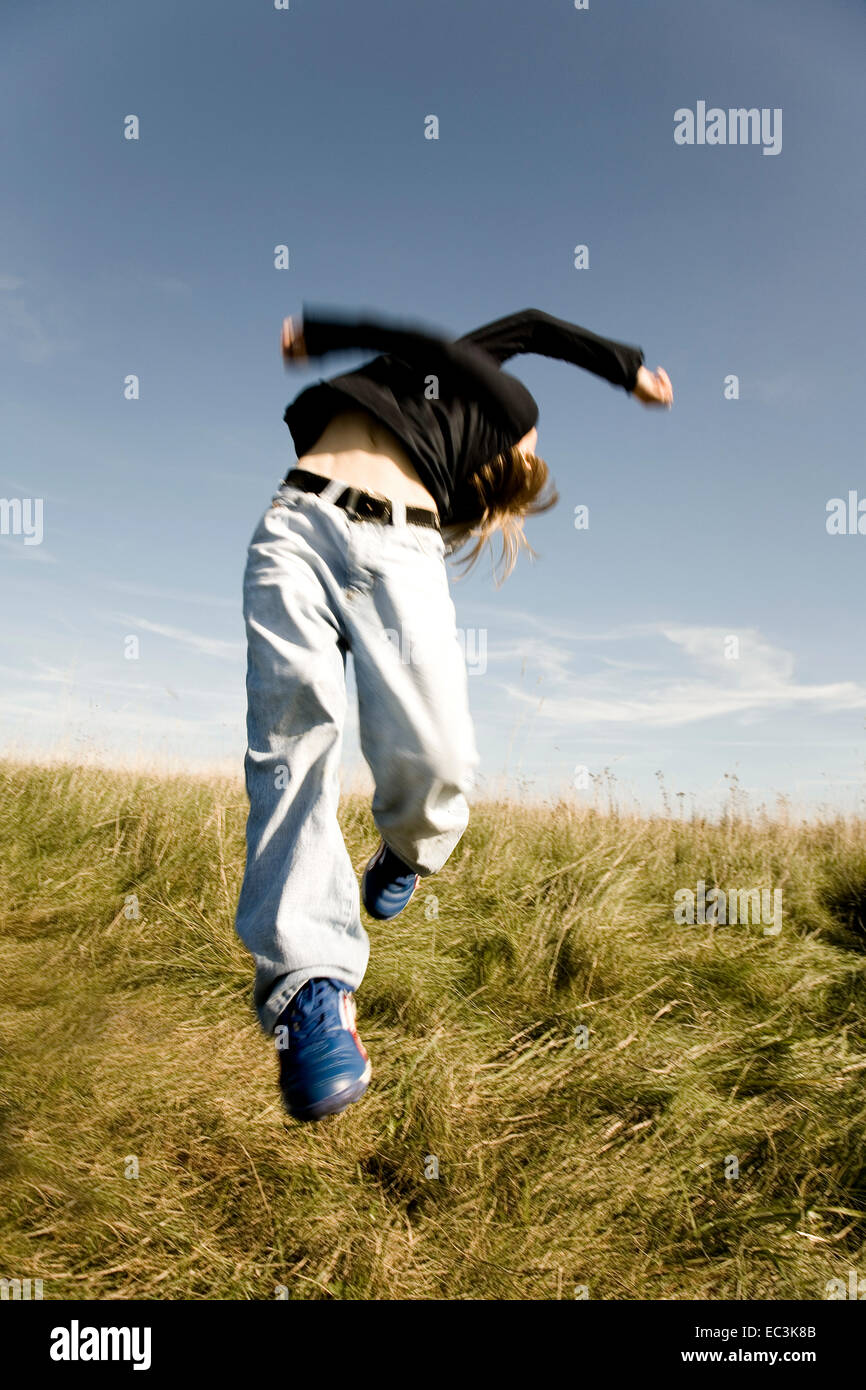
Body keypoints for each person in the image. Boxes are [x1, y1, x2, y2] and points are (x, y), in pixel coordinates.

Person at [234, 305, 673, 1121]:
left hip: (402, 549)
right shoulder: (493, 403)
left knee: (440, 764)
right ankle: (310, 990)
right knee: (291, 745)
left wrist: (324, 330)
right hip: (294, 523)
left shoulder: (492, 408)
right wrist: (626, 365)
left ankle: (407, 850)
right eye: (534, 453)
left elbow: (456, 345)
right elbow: (527, 327)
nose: (536, 439)